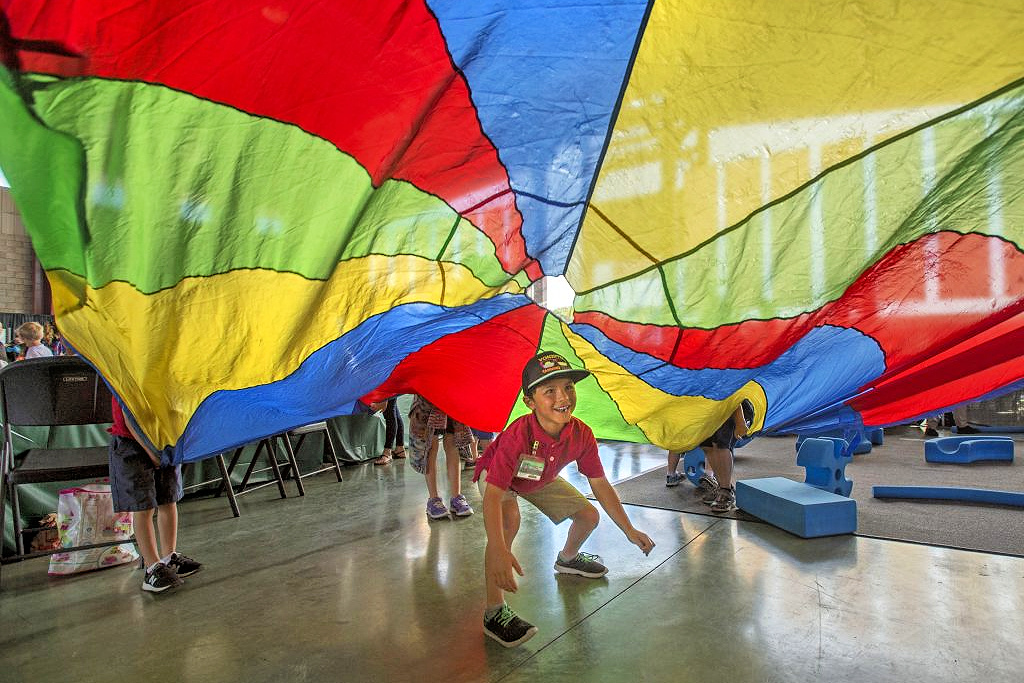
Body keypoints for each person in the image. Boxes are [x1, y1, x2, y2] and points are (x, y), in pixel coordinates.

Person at [474, 351, 655, 647]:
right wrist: (497, 548)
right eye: (550, 391)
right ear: (529, 402)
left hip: (538, 477)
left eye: (568, 387)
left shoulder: (581, 434)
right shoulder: (517, 435)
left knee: (589, 516)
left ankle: (567, 559)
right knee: (508, 521)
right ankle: (494, 612)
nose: (563, 397)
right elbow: (494, 495)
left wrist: (629, 529)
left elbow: (600, 484)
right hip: (499, 478)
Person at [107, 396, 202, 593]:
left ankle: (169, 556)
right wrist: (152, 453)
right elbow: (129, 417)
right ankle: (153, 566)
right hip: (132, 445)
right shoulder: (125, 374)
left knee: (169, 500)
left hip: (163, 439)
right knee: (144, 508)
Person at [408, 395, 475, 519]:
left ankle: (456, 497)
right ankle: (433, 499)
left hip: (450, 399)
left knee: (453, 443)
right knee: (430, 446)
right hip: (427, 401)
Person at [695, 403, 750, 513]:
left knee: (721, 444)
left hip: (731, 408)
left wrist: (740, 420)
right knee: (707, 445)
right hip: (708, 409)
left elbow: (732, 391)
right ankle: (722, 487)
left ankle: (726, 491)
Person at [371, 396, 408, 465]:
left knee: (389, 410)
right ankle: (400, 449)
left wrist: (385, 400)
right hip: (391, 386)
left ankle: (387, 453)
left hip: (389, 387)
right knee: (393, 408)